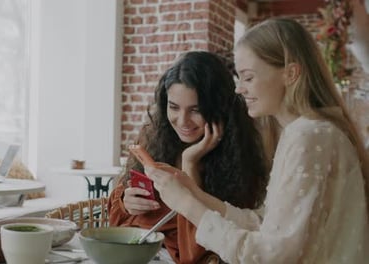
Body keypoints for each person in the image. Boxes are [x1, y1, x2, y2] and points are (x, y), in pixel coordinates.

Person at [145, 18, 369, 263]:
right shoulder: (302, 133)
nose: (239, 89)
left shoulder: (310, 136)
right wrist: (193, 193)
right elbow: (263, 223)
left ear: (291, 74)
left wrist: (186, 203)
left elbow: (268, 256)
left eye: (248, 78)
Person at [108, 51, 269, 263]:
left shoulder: (240, 158)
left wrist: (190, 163)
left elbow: (199, 252)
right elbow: (116, 212)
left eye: (196, 110)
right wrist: (125, 201)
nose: (182, 121)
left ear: (219, 109)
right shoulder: (154, 135)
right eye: (174, 107)